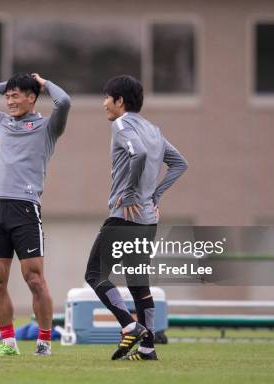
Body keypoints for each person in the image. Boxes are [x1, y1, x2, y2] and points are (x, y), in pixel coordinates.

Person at [0, 73, 71, 356]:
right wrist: (7, 84)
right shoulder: (0, 122)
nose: (10, 101)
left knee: (34, 279)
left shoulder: (49, 128)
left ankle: (44, 341)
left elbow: (65, 101)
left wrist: (43, 83)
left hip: (24, 208)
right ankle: (8, 342)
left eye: (16, 95)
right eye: (8, 97)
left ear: (32, 98)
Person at [84, 75, 187, 361]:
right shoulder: (153, 129)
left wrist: (130, 194)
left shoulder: (121, 124)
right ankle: (148, 348)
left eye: (107, 97)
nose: (104, 103)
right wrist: (155, 196)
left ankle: (130, 325)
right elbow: (180, 163)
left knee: (95, 275)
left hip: (124, 217)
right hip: (148, 220)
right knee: (138, 283)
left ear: (119, 101)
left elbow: (138, 154)